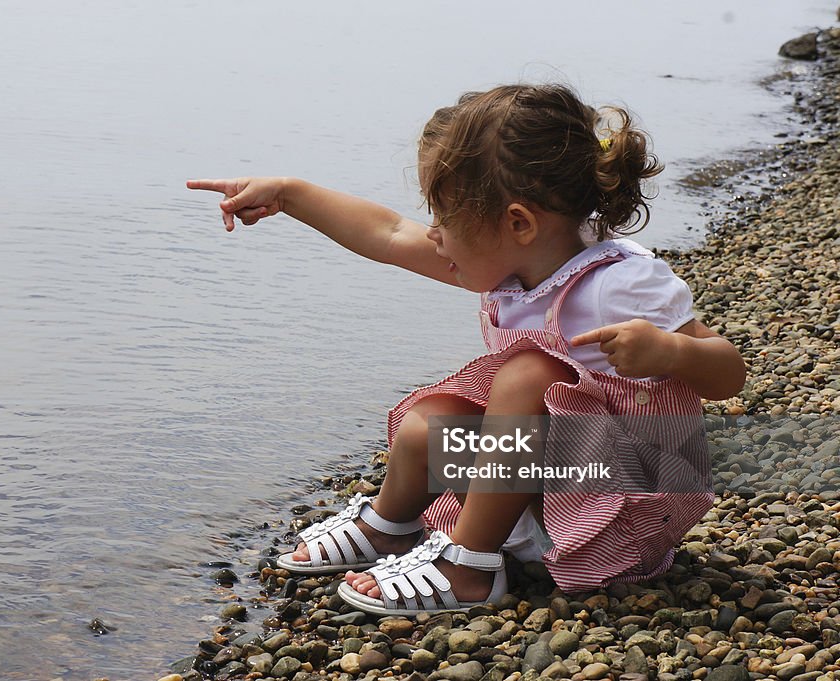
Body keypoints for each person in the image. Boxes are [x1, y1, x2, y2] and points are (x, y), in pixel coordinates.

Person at [186, 83, 746, 615]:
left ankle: (470, 569)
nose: (432, 234)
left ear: (518, 223)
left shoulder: (619, 285)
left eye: (445, 218)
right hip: (539, 496)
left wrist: (671, 354)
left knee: (528, 374)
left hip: (615, 511)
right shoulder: (507, 265)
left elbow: (728, 374)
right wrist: (290, 193)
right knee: (430, 419)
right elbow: (388, 235)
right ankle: (391, 524)